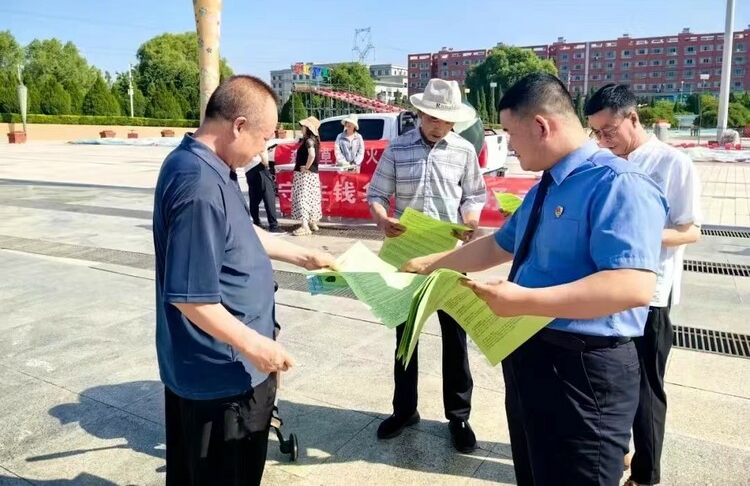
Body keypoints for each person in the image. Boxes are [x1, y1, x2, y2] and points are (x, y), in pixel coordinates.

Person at [403, 72, 668, 486]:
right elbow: (499, 246)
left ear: (541, 126)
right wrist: (432, 263)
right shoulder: (548, 185)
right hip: (531, 353)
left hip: (585, 369)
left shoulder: (619, 184)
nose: (507, 144)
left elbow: (632, 286)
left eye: (509, 133)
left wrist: (523, 301)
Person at [152, 75, 337, 486]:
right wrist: (257, 346)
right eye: (264, 138)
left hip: (223, 366)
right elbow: (190, 298)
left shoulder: (206, 165)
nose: (263, 151)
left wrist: (304, 254)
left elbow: (242, 230)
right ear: (237, 126)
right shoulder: (198, 185)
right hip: (222, 377)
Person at [586, 84, 702, 486]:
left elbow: (689, 230)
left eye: (608, 130)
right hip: (609, 288)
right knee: (613, 384)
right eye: (596, 133)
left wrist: (635, 235)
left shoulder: (673, 163)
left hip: (650, 295)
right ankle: (616, 453)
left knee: (647, 389)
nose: (603, 140)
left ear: (633, 118)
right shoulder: (605, 161)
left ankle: (647, 473)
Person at [366, 78, 487, 453]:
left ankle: (459, 416)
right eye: (432, 116)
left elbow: (474, 194)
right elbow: (376, 193)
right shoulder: (398, 148)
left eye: (445, 119)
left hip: (451, 255)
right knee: (406, 336)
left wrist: (470, 221)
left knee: (455, 338)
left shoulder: (465, 150)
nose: (438, 124)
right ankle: (404, 410)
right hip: (407, 254)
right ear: (420, 112)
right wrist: (383, 220)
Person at [291, 116, 322, 236]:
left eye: (303, 126)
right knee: (312, 198)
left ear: (308, 128)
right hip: (313, 175)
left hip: (304, 175)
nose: (301, 128)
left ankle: (304, 225)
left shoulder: (309, 141)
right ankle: (313, 222)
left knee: (302, 198)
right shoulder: (315, 140)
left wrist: (307, 167)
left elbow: (312, 155)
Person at [245, 146, 283, 233]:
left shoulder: (245, 135)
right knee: (268, 195)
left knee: (254, 197)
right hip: (259, 166)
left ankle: (256, 222)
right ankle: (273, 225)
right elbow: (261, 149)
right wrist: (266, 163)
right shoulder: (258, 135)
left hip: (248, 169)